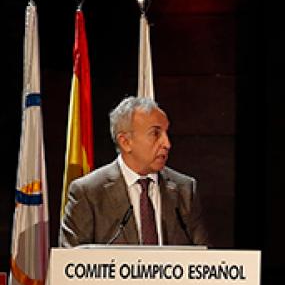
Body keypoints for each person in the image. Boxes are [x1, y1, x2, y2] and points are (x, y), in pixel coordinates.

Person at [61, 96, 208, 247]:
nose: (167, 143)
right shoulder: (88, 193)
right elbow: (70, 263)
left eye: (166, 133)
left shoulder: (185, 190)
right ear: (125, 142)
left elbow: (203, 260)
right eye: (155, 134)